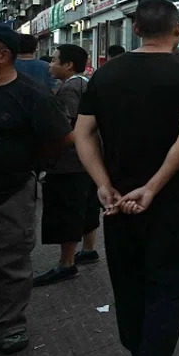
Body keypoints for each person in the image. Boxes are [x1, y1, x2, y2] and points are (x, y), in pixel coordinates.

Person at [74, 0, 179, 356]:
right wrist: (152, 187)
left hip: (117, 204)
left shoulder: (105, 74)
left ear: (134, 29)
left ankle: (139, 352)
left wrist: (102, 184)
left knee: (129, 283)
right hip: (169, 203)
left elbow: (82, 134)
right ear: (178, 31)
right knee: (169, 288)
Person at [0, 22, 72, 355]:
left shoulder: (31, 94)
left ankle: (9, 324)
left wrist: (28, 165)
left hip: (11, 189)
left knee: (9, 257)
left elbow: (61, 137)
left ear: (2, 55)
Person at [33, 44, 101, 287]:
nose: (50, 64)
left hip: (69, 163)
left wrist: (48, 154)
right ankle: (89, 250)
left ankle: (66, 263)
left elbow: (70, 129)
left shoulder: (69, 89)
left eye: (54, 60)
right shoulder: (86, 84)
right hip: (89, 160)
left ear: (68, 65)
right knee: (87, 205)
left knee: (68, 211)